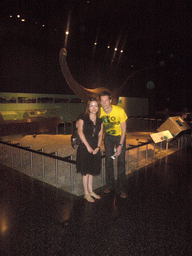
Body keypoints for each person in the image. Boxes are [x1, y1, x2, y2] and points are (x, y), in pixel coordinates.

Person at [99, 91, 128, 198]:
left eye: (106, 100)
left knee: (120, 162)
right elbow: (100, 127)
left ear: (110, 101)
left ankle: (122, 188)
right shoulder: (100, 111)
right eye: (102, 100)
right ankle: (110, 185)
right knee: (109, 161)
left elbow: (124, 129)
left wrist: (120, 145)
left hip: (120, 137)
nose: (104, 102)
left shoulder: (119, 111)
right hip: (108, 138)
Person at [76, 97, 103, 203]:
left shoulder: (100, 120)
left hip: (95, 147)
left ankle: (91, 191)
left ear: (98, 107)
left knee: (91, 170)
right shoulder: (83, 117)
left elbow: (100, 134)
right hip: (84, 147)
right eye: (91, 106)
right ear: (88, 107)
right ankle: (86, 193)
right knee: (85, 172)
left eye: (95, 106)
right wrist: (87, 146)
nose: (93, 108)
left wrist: (98, 147)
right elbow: (80, 132)